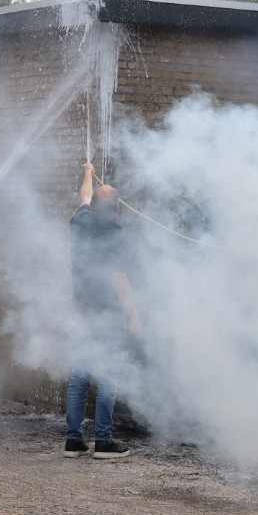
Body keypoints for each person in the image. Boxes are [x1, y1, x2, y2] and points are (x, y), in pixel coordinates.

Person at [65, 161, 142, 459]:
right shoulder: (114, 231)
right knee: (108, 376)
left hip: (83, 309)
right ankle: (103, 442)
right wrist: (134, 313)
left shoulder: (80, 219)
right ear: (118, 208)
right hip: (108, 312)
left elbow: (84, 197)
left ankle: (73, 441)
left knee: (80, 375)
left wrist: (87, 173)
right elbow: (118, 278)